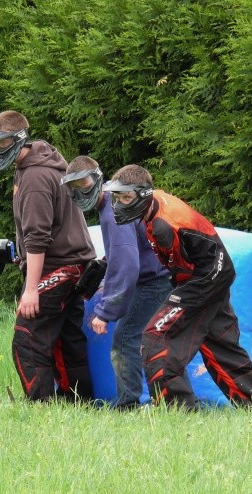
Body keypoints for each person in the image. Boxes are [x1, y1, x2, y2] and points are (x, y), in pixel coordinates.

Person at [106, 164, 252, 410]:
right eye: (118, 198)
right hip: (206, 277)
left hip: (206, 278)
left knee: (156, 335)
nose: (120, 204)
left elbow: (208, 264)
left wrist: (189, 294)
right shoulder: (153, 206)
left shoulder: (165, 225)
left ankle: (179, 409)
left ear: (144, 195)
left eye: (126, 198)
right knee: (219, 343)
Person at [0, 110, 95, 401]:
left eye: (2, 143)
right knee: (68, 340)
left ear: (19, 140)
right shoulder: (40, 166)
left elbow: (38, 237)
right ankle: (80, 403)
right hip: (77, 265)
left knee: (27, 341)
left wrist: (31, 289)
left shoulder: (34, 176)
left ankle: (40, 407)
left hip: (59, 268)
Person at [62, 156, 173, 410]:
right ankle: (170, 400)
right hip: (157, 278)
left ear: (98, 177)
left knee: (124, 342)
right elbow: (126, 251)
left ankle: (129, 405)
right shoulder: (112, 203)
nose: (81, 190)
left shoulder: (113, 210)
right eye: (74, 186)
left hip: (152, 282)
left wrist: (105, 312)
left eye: (84, 182)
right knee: (155, 341)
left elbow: (128, 263)